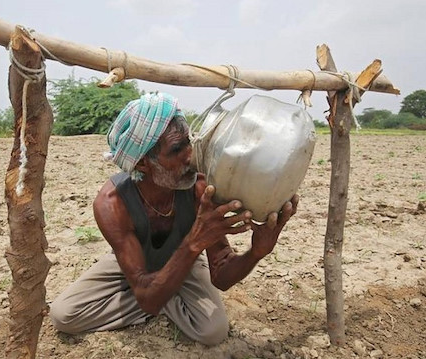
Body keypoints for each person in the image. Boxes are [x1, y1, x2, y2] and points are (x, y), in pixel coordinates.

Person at [49, 92, 298, 345]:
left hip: (187, 263)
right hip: (137, 263)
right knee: (64, 314)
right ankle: (156, 292)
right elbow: (182, 253)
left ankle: (158, 290)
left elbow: (221, 275)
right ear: (144, 163)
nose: (190, 156)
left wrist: (257, 252)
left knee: (213, 331)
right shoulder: (112, 204)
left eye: (189, 142)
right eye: (177, 149)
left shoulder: (199, 187)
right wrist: (191, 244)